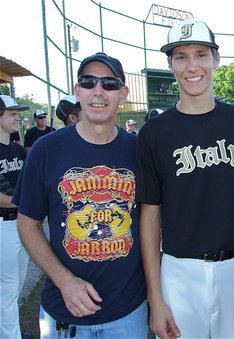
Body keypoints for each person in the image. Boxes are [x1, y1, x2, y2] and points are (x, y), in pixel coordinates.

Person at [136, 19, 234, 338]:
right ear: (170, 64)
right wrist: (155, 298)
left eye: (201, 54)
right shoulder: (154, 132)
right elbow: (150, 217)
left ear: (216, 59)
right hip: (179, 270)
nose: (192, 65)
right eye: (181, 56)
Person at [12, 52, 148, 338]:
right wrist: (65, 281)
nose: (98, 91)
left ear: (122, 94)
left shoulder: (139, 151)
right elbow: (27, 224)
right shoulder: (46, 150)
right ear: (77, 91)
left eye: (109, 83)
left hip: (128, 312)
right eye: (88, 82)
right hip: (64, 313)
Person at [0, 95, 30, 339]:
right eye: (11, 113)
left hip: (20, 224)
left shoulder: (18, 149)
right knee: (7, 289)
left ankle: (12, 332)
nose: (17, 117)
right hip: (2, 225)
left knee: (15, 288)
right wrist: (29, 203)